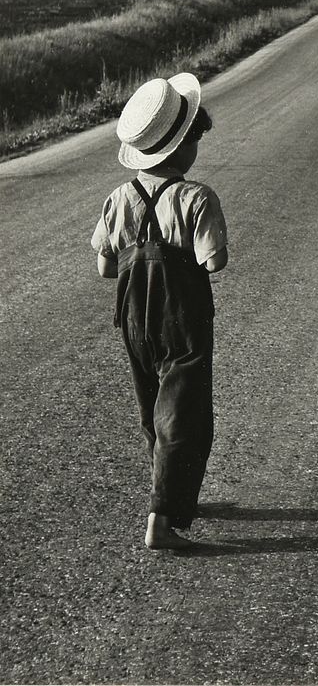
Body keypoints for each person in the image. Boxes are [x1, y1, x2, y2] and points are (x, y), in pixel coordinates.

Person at [91, 73, 228, 550]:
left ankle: (173, 492)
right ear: (181, 148)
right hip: (183, 318)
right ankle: (162, 519)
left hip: (133, 317)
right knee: (184, 414)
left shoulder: (118, 198)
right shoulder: (196, 197)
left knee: (152, 408)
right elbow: (215, 261)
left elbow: (106, 267)